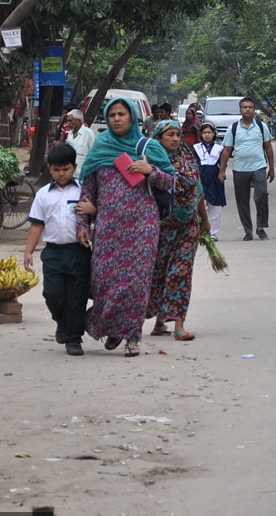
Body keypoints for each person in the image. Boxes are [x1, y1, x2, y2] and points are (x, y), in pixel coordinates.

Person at [75, 97, 176, 357]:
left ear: (132, 117)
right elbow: (88, 190)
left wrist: (149, 169)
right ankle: (112, 327)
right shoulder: (100, 147)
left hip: (143, 227)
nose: (117, 119)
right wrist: (82, 224)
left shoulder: (148, 147)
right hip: (108, 227)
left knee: (136, 283)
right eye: (112, 115)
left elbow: (169, 182)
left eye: (121, 114)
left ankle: (133, 336)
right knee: (104, 281)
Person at [23, 142, 92, 356]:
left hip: (78, 252)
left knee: (76, 297)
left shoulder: (83, 190)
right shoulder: (43, 194)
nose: (61, 174)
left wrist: (93, 209)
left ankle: (73, 339)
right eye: (56, 170)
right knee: (53, 294)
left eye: (66, 169)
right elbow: (37, 225)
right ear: (49, 168)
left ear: (74, 167)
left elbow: (96, 216)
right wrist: (28, 251)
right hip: (53, 253)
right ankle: (62, 323)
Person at [146, 120, 204, 341]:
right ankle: (160, 322)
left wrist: (204, 219)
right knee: (159, 274)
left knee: (180, 274)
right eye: (169, 135)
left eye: (177, 135)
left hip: (188, 226)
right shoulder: (151, 163)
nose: (174, 139)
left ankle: (179, 324)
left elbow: (198, 191)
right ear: (158, 138)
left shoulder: (188, 160)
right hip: (161, 227)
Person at [217, 96, 275, 241]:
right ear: (240, 110)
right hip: (240, 169)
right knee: (242, 200)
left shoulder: (262, 127)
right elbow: (226, 150)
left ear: (254, 110)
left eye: (250, 107)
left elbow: (268, 147)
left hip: (259, 167)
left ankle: (261, 227)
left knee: (261, 195)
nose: (248, 109)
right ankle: (248, 230)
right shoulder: (234, 128)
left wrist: (272, 168)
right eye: (245, 107)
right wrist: (222, 171)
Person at [193, 122, 226, 240]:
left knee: (215, 206)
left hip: (214, 178)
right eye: (204, 133)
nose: (207, 135)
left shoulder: (219, 148)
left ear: (214, 134)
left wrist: (222, 174)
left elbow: (223, 163)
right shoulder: (196, 148)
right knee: (200, 204)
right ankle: (200, 230)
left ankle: (213, 232)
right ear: (201, 134)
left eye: (209, 132)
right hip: (200, 177)